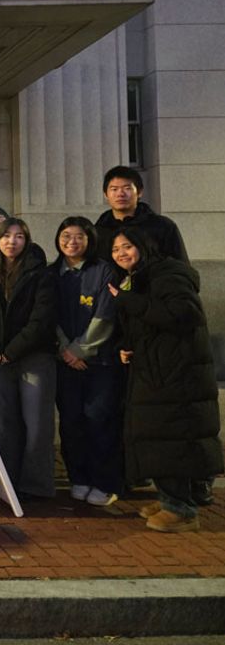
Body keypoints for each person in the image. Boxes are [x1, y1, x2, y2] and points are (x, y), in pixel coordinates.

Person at [108, 227, 222, 532]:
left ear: (145, 246)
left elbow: (182, 313)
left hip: (175, 373)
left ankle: (182, 510)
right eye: (116, 249)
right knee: (159, 438)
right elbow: (146, 323)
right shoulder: (140, 276)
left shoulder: (168, 274)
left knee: (171, 439)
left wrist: (127, 301)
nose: (121, 253)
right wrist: (125, 348)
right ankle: (171, 499)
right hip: (157, 369)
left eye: (127, 246)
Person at [0, 218, 58, 500]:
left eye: (19, 236)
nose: (12, 241)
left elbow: (42, 319)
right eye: (6, 236)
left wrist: (11, 351)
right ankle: (5, 481)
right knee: (4, 422)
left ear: (27, 240)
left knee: (37, 424)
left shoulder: (40, 273)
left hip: (34, 355)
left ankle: (36, 486)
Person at [50, 217, 121, 507]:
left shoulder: (104, 271)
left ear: (90, 240)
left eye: (79, 236)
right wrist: (65, 350)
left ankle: (103, 482)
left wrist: (81, 350)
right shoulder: (52, 273)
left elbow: (105, 316)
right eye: (66, 235)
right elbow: (48, 317)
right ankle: (78, 477)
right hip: (64, 362)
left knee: (98, 421)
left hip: (99, 363)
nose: (72, 242)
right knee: (70, 422)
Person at [95, 165, 189, 264]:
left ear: (139, 192)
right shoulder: (99, 230)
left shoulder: (162, 226)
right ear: (106, 195)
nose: (120, 194)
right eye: (114, 189)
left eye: (127, 188)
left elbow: (181, 267)